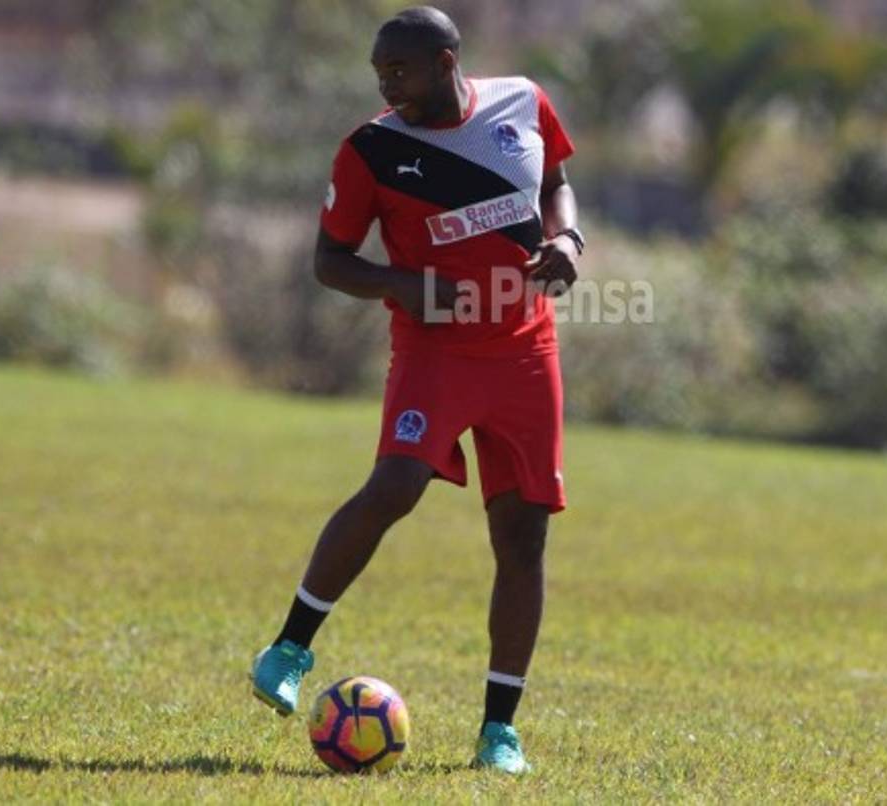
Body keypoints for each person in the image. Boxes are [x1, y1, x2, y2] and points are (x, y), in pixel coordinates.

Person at [249, 6, 582, 775]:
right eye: (379, 74)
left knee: (524, 534)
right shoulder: (369, 150)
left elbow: (560, 185)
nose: (386, 85)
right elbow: (330, 261)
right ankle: (290, 649)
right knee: (395, 485)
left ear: (444, 61)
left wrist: (567, 238)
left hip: (526, 349)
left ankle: (499, 732)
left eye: (398, 70)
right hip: (435, 350)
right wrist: (404, 285)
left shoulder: (524, 103)